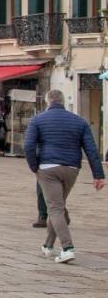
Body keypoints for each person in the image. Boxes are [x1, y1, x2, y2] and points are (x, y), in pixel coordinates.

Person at [23, 89, 104, 264]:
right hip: (71, 168)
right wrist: (98, 174)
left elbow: (29, 145)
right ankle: (48, 245)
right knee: (58, 206)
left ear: (47, 102)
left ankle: (67, 248)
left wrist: (34, 167)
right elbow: (91, 150)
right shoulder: (79, 122)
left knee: (55, 208)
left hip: (48, 168)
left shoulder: (37, 120)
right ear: (63, 102)